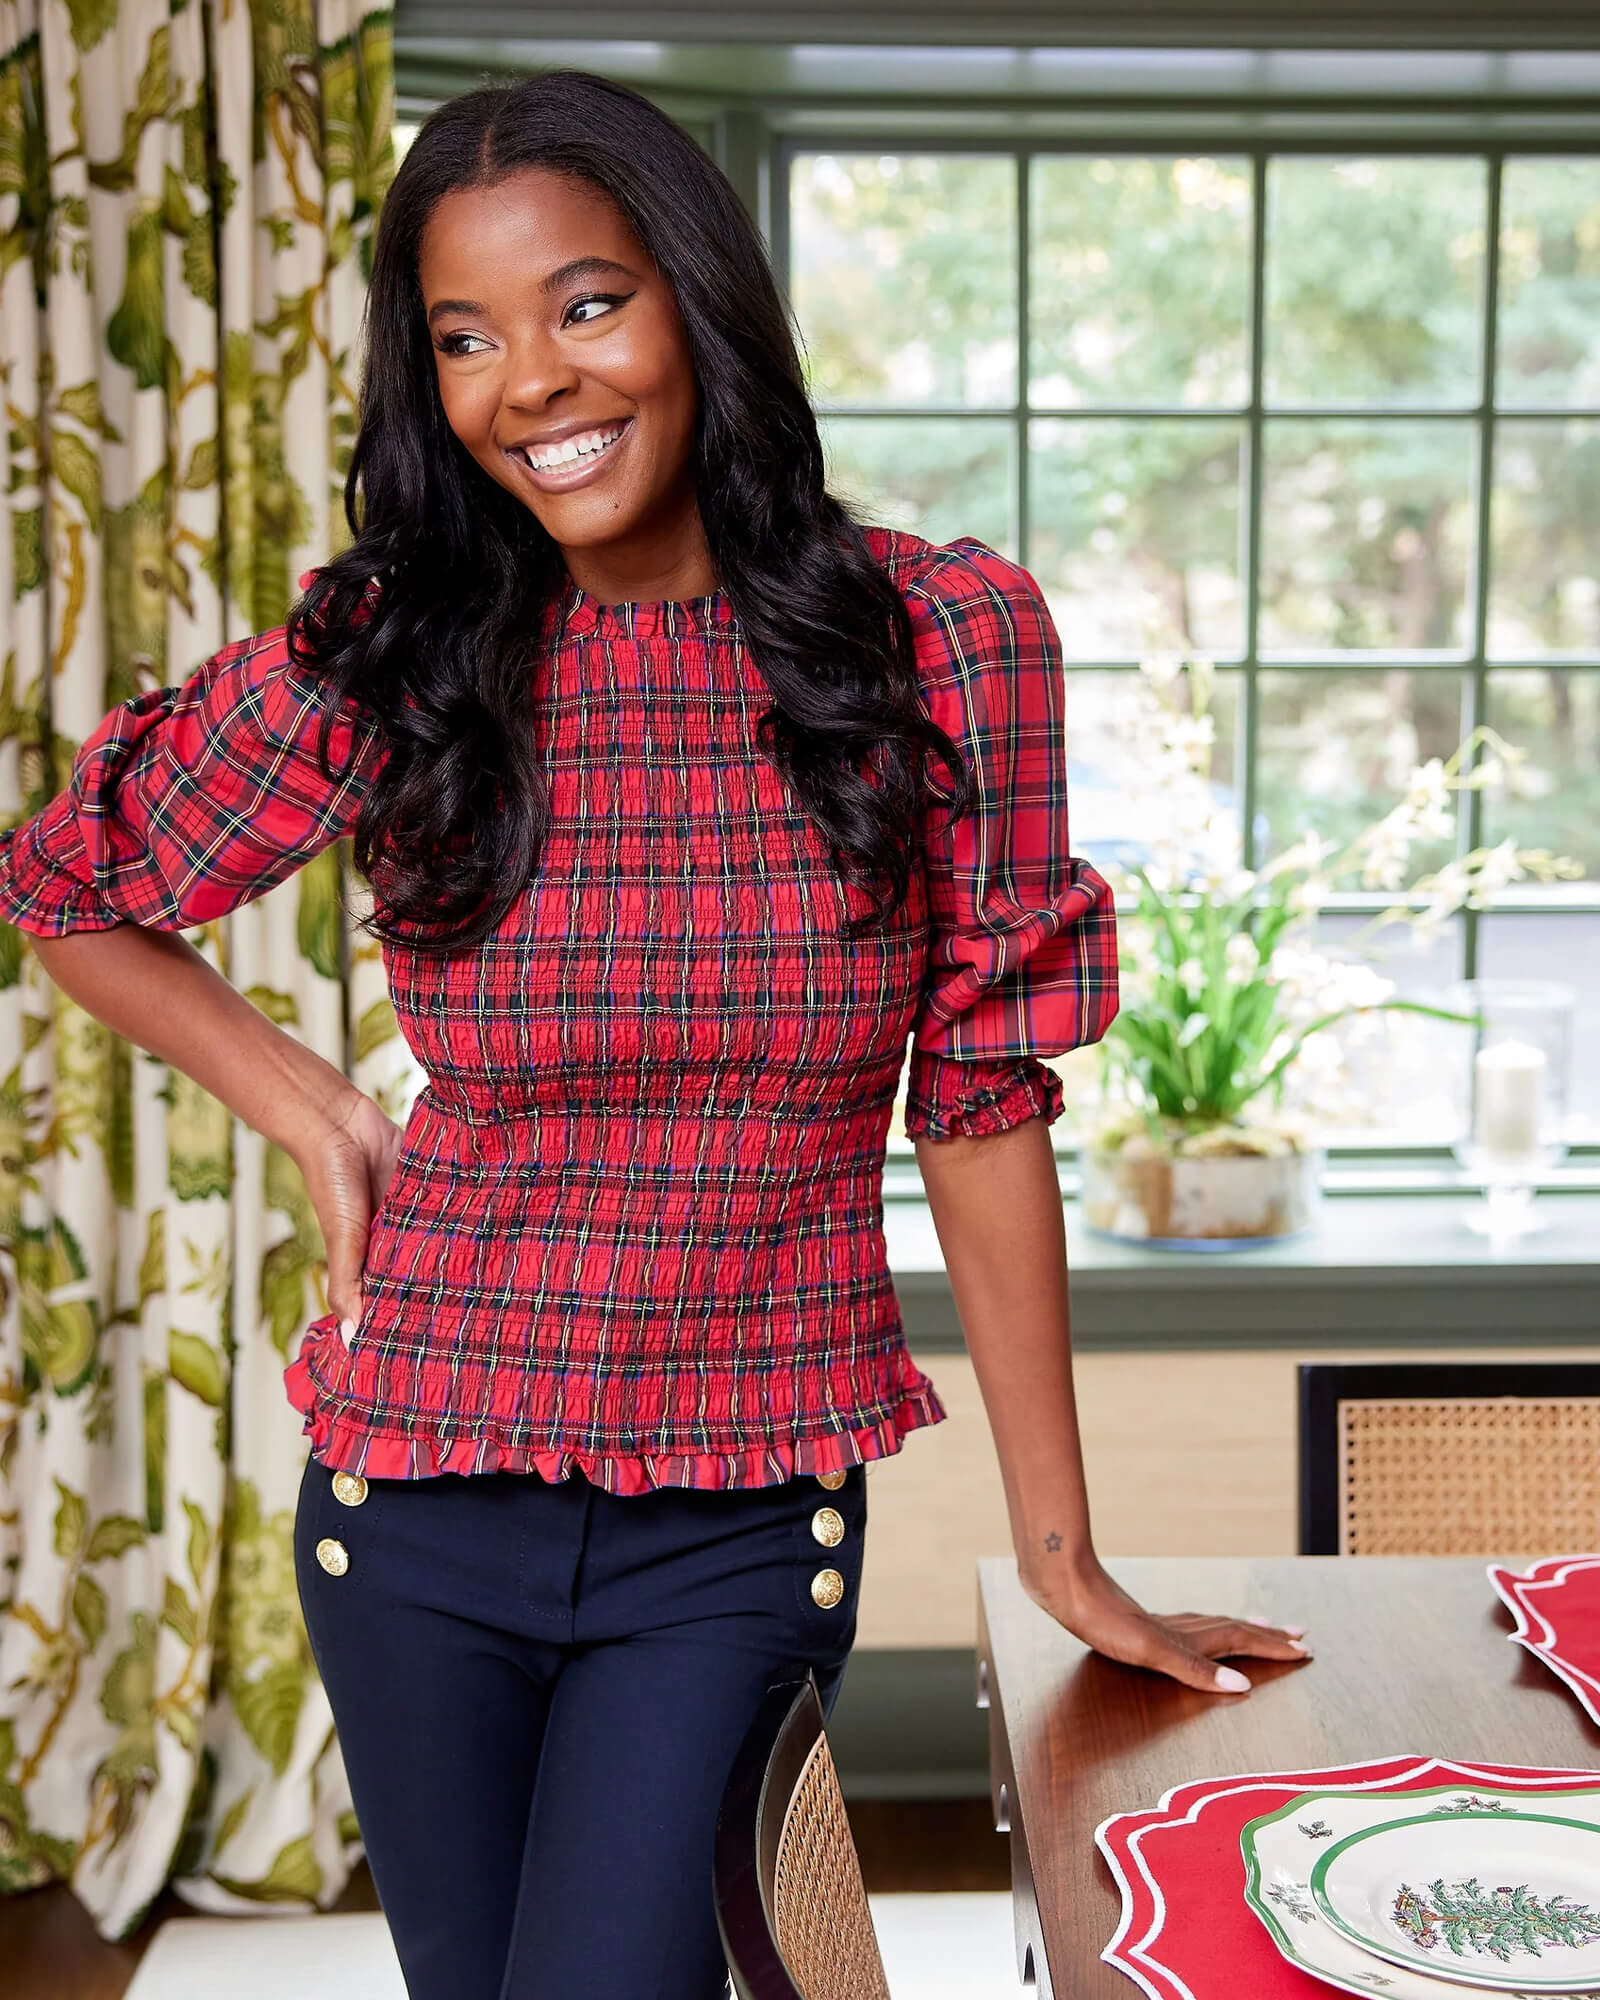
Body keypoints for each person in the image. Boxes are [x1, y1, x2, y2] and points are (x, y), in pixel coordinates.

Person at [0, 68, 1308, 2000]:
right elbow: (67, 881)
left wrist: (1062, 1552)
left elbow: (979, 1088)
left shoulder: (937, 642)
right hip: (412, 1507)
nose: (529, 380)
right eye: (465, 337)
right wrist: (311, 1107)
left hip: (736, 1527)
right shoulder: (406, 652)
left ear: (702, 304)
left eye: (585, 303)